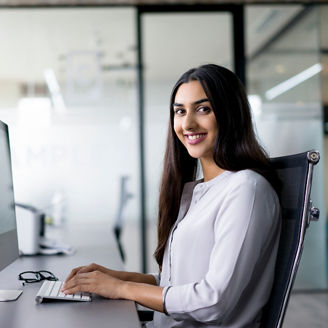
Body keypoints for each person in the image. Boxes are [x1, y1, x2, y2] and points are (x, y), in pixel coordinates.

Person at [62, 64, 281, 328]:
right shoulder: (200, 190)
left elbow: (213, 301)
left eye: (203, 109)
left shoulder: (246, 189)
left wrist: (120, 288)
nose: (187, 123)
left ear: (230, 114)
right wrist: (114, 278)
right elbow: (177, 284)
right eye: (180, 111)